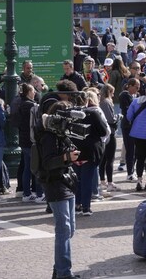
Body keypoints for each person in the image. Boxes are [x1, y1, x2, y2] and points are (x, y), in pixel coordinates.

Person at [37, 101, 81, 279]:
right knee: (64, 229)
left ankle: (59, 269)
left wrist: (73, 158)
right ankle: (64, 273)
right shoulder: (48, 136)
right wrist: (66, 157)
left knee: (70, 230)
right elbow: (47, 162)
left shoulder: (61, 134)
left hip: (66, 182)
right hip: (54, 183)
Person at [17, 83, 43, 202]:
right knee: (37, 167)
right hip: (32, 139)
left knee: (27, 167)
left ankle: (26, 194)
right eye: (33, 91)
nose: (35, 93)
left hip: (23, 139)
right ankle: (39, 194)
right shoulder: (32, 106)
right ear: (28, 92)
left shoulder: (20, 103)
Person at [99, 84, 121, 192]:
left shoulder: (100, 101)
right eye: (112, 92)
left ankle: (102, 180)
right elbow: (111, 119)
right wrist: (118, 117)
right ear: (109, 92)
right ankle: (110, 182)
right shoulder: (106, 102)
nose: (113, 95)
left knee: (102, 159)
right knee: (110, 159)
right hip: (110, 133)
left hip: (101, 133)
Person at [119, 78, 139, 180]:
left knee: (135, 150)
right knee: (130, 149)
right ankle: (130, 173)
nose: (137, 89)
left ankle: (132, 170)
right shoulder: (124, 95)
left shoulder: (136, 96)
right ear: (130, 86)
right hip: (127, 126)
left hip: (136, 126)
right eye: (136, 87)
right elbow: (126, 111)